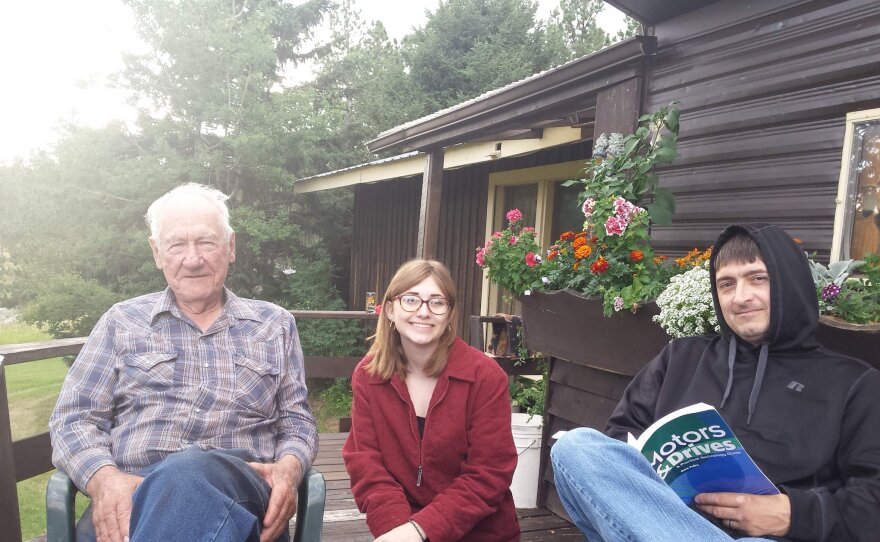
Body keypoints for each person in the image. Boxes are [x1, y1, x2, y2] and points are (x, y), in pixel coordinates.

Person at [550, 223, 880, 542]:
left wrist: (793, 514)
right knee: (576, 448)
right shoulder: (680, 358)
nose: (740, 297)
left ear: (790, 283)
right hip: (666, 519)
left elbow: (873, 498)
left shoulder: (853, 383)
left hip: (772, 537)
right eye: (726, 284)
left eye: (758, 279)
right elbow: (623, 438)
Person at [49, 183, 318, 542]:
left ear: (230, 247)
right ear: (157, 252)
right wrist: (104, 479)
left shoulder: (274, 325)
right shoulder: (121, 322)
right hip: (131, 498)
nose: (192, 259)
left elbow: (296, 421)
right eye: (177, 245)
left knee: (187, 469)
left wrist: (287, 469)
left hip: (241, 491)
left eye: (206, 242)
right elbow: (73, 418)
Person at [342, 259, 520, 542]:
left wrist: (420, 531)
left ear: (449, 314)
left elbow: (488, 474)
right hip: (399, 527)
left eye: (437, 302)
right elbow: (367, 464)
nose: (423, 312)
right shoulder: (368, 375)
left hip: (479, 532)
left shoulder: (485, 377)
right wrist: (396, 531)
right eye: (411, 299)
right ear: (389, 309)